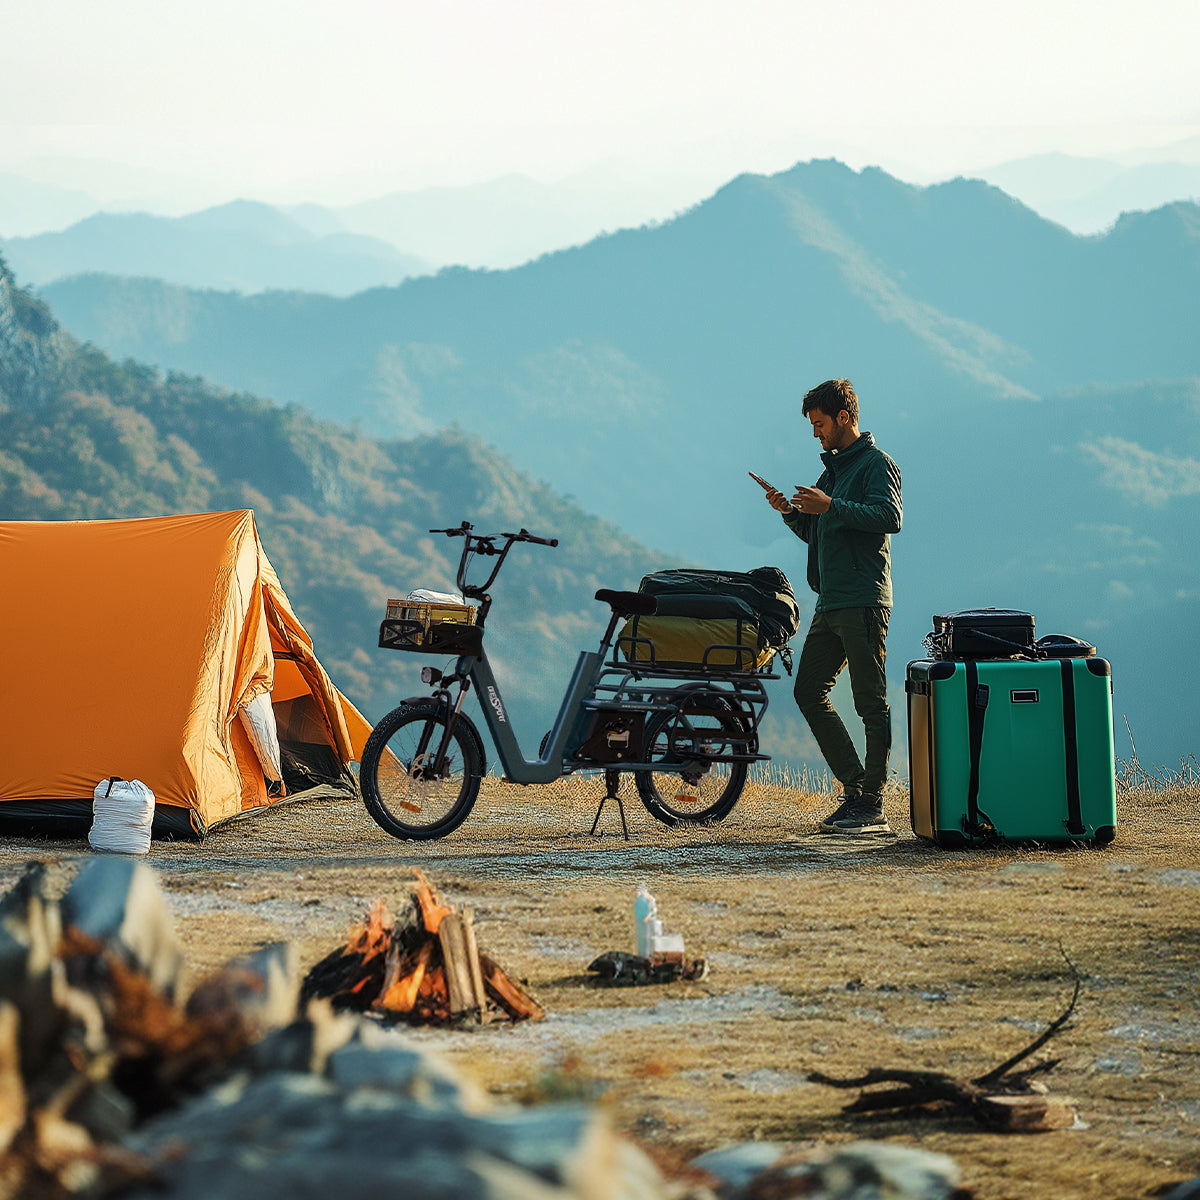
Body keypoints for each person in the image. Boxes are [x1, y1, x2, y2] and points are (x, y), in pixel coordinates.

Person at [761, 379, 902, 835]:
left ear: (844, 417)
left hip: (862, 600)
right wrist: (792, 513)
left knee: (870, 703)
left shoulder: (877, 464)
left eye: (819, 424)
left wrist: (832, 504)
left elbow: (889, 517)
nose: (815, 433)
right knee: (808, 691)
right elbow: (820, 532)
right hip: (830, 602)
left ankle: (873, 803)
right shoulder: (832, 472)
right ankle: (855, 787)